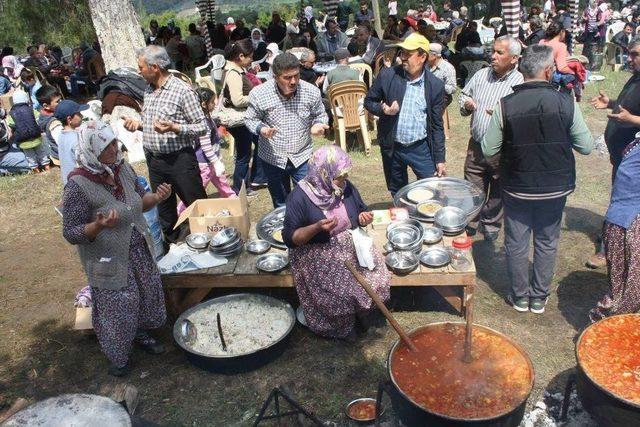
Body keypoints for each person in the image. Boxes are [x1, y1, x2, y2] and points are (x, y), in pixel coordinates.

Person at [482, 45, 593, 314]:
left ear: (521, 70)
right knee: (546, 241)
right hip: (555, 189)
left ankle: (520, 297)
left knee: (517, 242)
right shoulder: (567, 101)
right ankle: (539, 297)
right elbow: (586, 146)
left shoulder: (505, 104)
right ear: (548, 71)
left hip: (517, 187)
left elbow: (488, 149)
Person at [62, 120, 170, 376]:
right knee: (117, 307)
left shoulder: (123, 169)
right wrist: (98, 226)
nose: (114, 148)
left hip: (138, 249)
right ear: (91, 150)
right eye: (106, 145)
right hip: (108, 258)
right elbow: (70, 232)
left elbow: (140, 203)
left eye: (114, 142)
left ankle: (141, 334)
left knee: (143, 294)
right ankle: (118, 355)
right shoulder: (78, 185)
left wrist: (157, 197)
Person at [282, 146, 391, 340]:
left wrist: (363, 217)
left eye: (345, 175)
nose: (344, 180)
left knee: (377, 275)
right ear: (323, 173)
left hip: (348, 242)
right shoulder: (299, 197)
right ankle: (341, 326)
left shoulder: (344, 187)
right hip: (316, 251)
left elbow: (359, 209)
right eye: (339, 177)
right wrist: (316, 227)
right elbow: (292, 238)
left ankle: (363, 312)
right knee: (339, 292)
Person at [122, 46, 208, 244]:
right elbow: (155, 125)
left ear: (154, 67)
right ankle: (172, 249)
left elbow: (202, 127)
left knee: (199, 208)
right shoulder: (149, 90)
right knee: (165, 212)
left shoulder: (182, 91)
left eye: (140, 67)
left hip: (180, 161)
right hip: (156, 161)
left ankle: (209, 245)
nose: (138, 71)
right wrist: (138, 125)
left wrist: (175, 128)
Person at [364, 33, 447, 196]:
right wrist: (383, 109)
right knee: (397, 191)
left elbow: (437, 126)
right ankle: (404, 220)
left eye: (408, 54)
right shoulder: (388, 75)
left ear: (423, 57)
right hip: (393, 147)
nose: (402, 58)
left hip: (420, 147)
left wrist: (440, 159)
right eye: (402, 53)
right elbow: (369, 101)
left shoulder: (435, 86)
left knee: (432, 189)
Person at [459, 36, 523, 241]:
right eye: (493, 51)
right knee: (472, 186)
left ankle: (491, 223)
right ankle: (471, 221)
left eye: (499, 53)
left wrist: (502, 116)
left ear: (514, 59)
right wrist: (467, 103)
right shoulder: (480, 75)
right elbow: (463, 95)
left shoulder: (520, 82)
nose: (493, 56)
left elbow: (523, 116)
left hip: (502, 149)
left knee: (498, 188)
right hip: (476, 146)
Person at [245, 52, 329, 207]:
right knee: (281, 203)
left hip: (302, 155)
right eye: (287, 77)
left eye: (296, 76)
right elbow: (250, 118)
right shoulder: (259, 93)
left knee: (309, 200)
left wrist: (318, 123)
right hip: (273, 157)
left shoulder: (311, 91)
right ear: (275, 77)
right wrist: (262, 129)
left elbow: (320, 114)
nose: (293, 81)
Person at [586, 39, 640, 269]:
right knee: (619, 200)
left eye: (635, 54)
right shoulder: (637, 76)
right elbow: (631, 104)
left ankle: (608, 250)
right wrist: (611, 103)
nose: (630, 58)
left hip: (634, 160)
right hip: (622, 156)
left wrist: (632, 121)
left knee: (624, 204)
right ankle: (613, 238)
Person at [589, 136, 640, 322]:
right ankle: (600, 329)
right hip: (629, 224)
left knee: (624, 289)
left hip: (621, 222)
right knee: (627, 294)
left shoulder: (634, 145)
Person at [178, 88, 235, 214]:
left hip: (212, 162)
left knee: (223, 184)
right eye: (212, 102)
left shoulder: (207, 116)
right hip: (205, 164)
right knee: (195, 190)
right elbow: (205, 146)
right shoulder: (202, 122)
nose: (214, 104)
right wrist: (216, 162)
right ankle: (180, 212)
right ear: (204, 104)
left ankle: (234, 202)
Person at [221, 39, 266, 194]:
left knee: (252, 146)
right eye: (250, 57)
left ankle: (253, 180)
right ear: (240, 56)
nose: (251, 59)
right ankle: (240, 187)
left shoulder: (233, 70)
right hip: (239, 121)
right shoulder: (233, 73)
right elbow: (237, 99)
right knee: (244, 155)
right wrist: (255, 98)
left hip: (241, 120)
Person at [8, 91, 50, 173]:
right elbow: (38, 120)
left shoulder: (12, 113)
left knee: (30, 156)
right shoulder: (31, 109)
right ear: (26, 99)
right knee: (41, 152)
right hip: (36, 137)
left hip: (23, 140)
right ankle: (47, 167)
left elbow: (11, 126)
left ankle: (36, 170)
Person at [54, 99, 89, 184]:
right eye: (78, 114)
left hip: (69, 181)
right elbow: (87, 164)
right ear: (69, 119)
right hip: (81, 183)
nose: (81, 115)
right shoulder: (76, 140)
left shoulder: (62, 135)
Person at [35, 86, 63, 164]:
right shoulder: (54, 123)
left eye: (61, 99)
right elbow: (63, 142)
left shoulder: (43, 115)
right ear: (46, 106)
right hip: (62, 156)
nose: (61, 102)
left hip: (56, 153)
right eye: (57, 101)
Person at [0, 107, 31, 175]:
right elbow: (7, 136)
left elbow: (5, 111)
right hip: (3, 154)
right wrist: (13, 128)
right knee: (32, 164)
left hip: (8, 145)